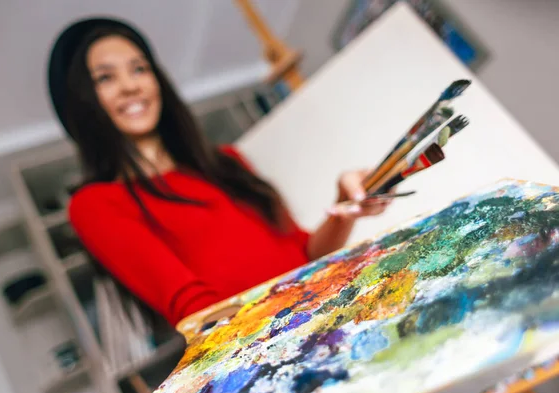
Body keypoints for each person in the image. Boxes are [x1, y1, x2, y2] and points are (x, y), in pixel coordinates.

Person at [47, 17, 391, 327]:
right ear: (81, 101)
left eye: (139, 69)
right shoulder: (96, 204)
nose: (131, 85)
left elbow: (306, 255)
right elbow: (197, 310)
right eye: (105, 77)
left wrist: (345, 208)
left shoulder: (226, 161)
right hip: (277, 348)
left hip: (335, 312)